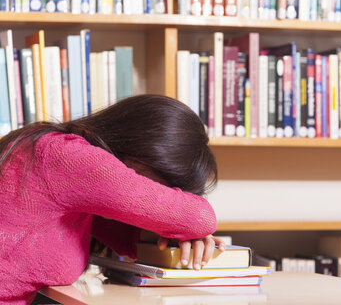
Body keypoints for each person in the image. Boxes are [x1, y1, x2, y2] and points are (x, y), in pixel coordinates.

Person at [0, 94, 224, 304]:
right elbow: (201, 217)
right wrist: (188, 226)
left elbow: (128, 239)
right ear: (141, 153)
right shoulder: (73, 158)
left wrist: (181, 236)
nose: (157, 195)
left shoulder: (54, 148)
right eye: (162, 189)